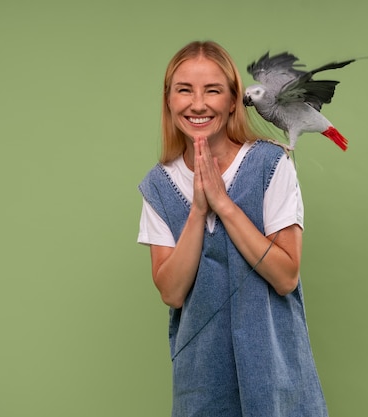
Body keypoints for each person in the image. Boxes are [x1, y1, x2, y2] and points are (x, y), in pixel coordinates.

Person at [137, 40, 328, 417]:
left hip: (276, 380)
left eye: (213, 90)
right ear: (169, 100)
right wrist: (198, 210)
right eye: (184, 90)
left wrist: (223, 204)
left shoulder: (271, 165)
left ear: (232, 100)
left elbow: (286, 275)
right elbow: (172, 292)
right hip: (201, 384)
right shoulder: (157, 186)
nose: (198, 104)